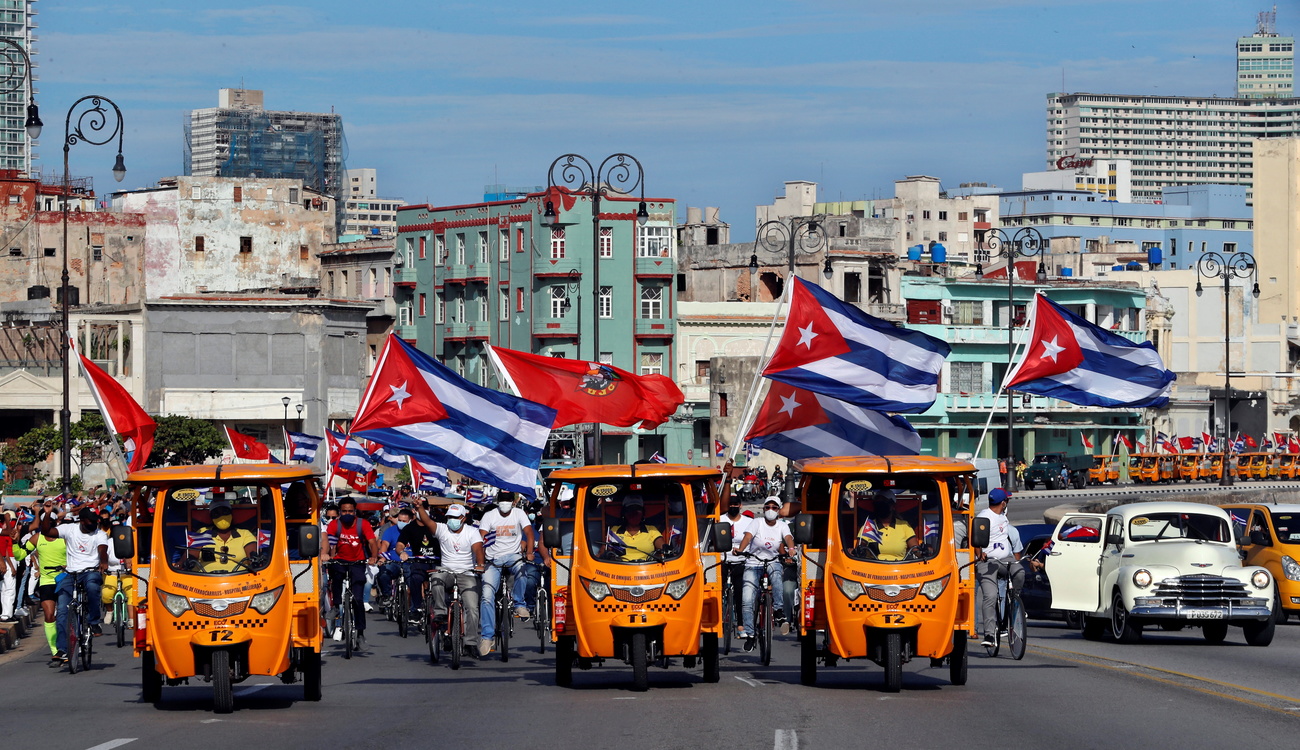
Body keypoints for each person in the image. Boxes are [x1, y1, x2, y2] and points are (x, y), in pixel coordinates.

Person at [414, 502, 484, 657]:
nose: (451, 520)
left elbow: (478, 548)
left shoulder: (472, 532)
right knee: (436, 578)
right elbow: (427, 521)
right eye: (449, 517)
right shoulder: (442, 529)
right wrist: (419, 508)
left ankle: (470, 643)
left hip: (467, 573)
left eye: (455, 517)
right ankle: (441, 612)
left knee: (472, 609)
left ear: (463, 518)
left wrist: (480, 564)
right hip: (446, 571)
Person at [476, 492, 534, 657]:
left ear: (513, 502)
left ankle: (519, 604)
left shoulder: (519, 513)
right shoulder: (489, 515)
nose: (505, 503)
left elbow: (529, 533)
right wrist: (480, 562)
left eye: (508, 501)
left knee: (523, 571)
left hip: (513, 556)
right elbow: (480, 538)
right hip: (492, 559)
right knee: (487, 595)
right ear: (497, 501)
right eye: (502, 501)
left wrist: (529, 552)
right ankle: (487, 637)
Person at [734, 496, 795, 649]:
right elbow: (747, 537)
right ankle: (750, 634)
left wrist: (791, 549)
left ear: (779, 510)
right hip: (753, 563)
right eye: (767, 507)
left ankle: (779, 611)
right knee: (747, 598)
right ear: (763, 509)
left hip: (772, 561)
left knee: (776, 576)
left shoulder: (782, 526)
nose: (770, 510)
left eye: (774, 508)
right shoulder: (757, 522)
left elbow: (788, 538)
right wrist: (741, 550)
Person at [43, 506, 108, 645]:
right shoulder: (70, 529)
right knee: (61, 610)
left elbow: (103, 550)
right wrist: (47, 515)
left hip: (90, 571)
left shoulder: (99, 534)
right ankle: (62, 648)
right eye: (91, 521)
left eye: (96, 521)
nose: (94, 524)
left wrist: (103, 562)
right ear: (83, 521)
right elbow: (46, 531)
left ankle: (94, 622)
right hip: (71, 573)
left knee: (92, 586)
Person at [325, 496, 379, 647]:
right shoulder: (334, 525)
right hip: (340, 560)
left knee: (358, 599)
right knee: (335, 577)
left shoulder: (363, 524)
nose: (347, 513)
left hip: (357, 562)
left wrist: (374, 557)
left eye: (350, 511)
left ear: (355, 511)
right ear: (339, 512)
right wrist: (327, 555)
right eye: (344, 511)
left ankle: (360, 632)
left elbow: (372, 542)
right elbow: (330, 543)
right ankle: (336, 606)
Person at [975, 488, 1025, 647]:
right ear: (1003, 503)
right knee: (990, 595)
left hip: (1006, 559)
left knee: (1020, 572)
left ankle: (1014, 600)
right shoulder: (984, 517)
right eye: (1007, 501)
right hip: (988, 561)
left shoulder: (1003, 517)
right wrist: (979, 553)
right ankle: (989, 635)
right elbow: (975, 538)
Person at [21, 506, 66, 664]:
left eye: (50, 523)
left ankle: (71, 643)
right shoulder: (36, 538)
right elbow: (20, 554)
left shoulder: (64, 537)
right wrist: (14, 542)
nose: (47, 527)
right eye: (45, 523)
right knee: (49, 616)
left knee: (63, 615)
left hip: (65, 579)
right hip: (46, 581)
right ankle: (56, 651)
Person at [395, 505, 440, 623]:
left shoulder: (436, 525)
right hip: (419, 562)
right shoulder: (409, 528)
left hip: (437, 562)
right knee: (415, 578)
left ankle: (441, 610)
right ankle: (416, 608)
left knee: (442, 582)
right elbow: (400, 544)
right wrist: (402, 552)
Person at [189, 498, 258, 573]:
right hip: (205, 577)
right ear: (211, 517)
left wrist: (254, 558)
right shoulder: (203, 532)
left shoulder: (244, 534)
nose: (221, 516)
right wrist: (188, 561)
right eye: (216, 513)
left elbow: (252, 553)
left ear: (231, 514)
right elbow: (191, 555)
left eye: (225, 512)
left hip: (239, 577)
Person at [855, 490, 918, 561]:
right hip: (873, 566)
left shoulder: (904, 525)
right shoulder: (869, 525)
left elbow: (915, 549)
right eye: (877, 503)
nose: (880, 505)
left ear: (892, 506)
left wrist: (925, 551)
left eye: (884, 502)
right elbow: (860, 548)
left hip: (899, 566)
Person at [605, 495, 664, 561]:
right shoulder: (615, 530)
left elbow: (662, 547)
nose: (634, 514)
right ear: (624, 513)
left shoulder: (651, 530)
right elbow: (604, 550)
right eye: (630, 510)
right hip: (621, 567)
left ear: (643, 513)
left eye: (637, 511)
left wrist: (665, 550)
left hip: (647, 567)